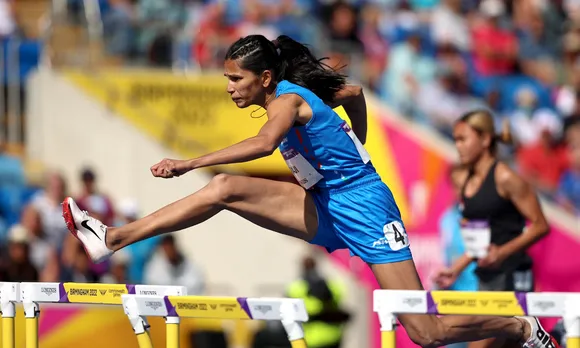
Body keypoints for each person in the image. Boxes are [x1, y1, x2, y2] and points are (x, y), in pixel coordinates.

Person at [62, 34, 558, 348]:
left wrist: (186, 161)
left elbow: (263, 143)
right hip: (325, 204)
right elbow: (355, 92)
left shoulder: (289, 102)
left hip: (364, 206)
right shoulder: (302, 94)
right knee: (224, 190)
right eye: (227, 79)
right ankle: (113, 238)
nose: (229, 88)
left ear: (265, 78)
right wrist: (357, 136)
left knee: (425, 332)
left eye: (236, 80)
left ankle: (519, 328)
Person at [434, 110, 550, 348]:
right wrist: (455, 269)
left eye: (463, 139)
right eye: (455, 139)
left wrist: (502, 252)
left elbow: (540, 225)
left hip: (512, 277)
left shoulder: (506, 177)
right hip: (486, 279)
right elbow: (479, 242)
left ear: (485, 140)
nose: (457, 146)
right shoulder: (467, 182)